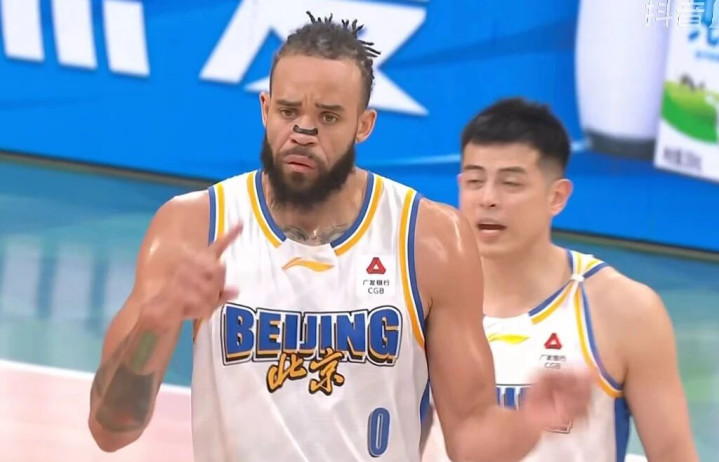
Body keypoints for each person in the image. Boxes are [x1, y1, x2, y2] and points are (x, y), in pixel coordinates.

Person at [87, 15, 592, 462]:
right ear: (265, 109)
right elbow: (111, 430)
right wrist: (156, 321)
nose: (303, 131)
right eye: (288, 111)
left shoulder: (430, 239)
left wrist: (529, 421)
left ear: (363, 125)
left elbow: (471, 438)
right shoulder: (194, 227)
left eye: (328, 117)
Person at [421, 98, 698, 462]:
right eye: (475, 181)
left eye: (510, 183)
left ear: (557, 196)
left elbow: (674, 455)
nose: (488, 199)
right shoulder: (420, 296)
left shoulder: (625, 310)